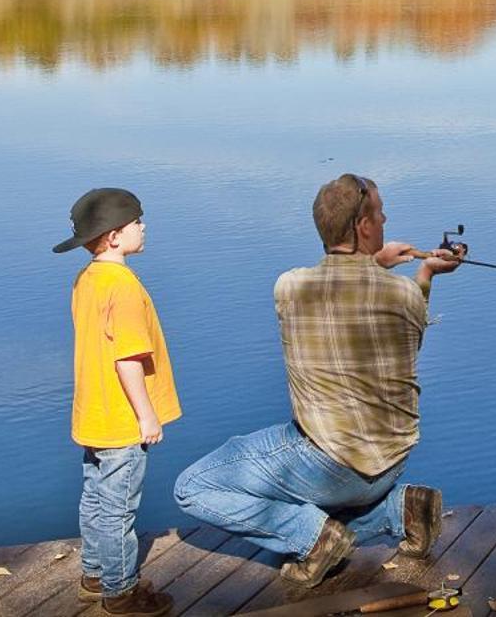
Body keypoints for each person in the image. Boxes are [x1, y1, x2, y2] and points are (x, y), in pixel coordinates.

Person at [174, 174, 466, 587]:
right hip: (391, 462)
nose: (385, 220)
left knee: (191, 488)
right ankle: (400, 509)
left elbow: (341, 291)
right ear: (364, 226)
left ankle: (311, 538)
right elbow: (408, 336)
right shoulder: (404, 296)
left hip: (329, 468)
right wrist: (424, 273)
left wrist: (373, 260)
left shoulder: (290, 288)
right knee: (300, 468)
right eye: (380, 213)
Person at [56, 187, 181, 617]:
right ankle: (121, 592)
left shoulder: (87, 279)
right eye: (137, 222)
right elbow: (128, 358)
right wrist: (147, 415)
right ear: (113, 236)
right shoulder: (123, 287)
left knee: (95, 498)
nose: (143, 227)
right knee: (118, 508)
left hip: (93, 413)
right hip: (123, 419)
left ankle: (94, 575)